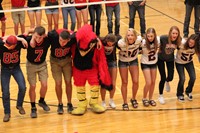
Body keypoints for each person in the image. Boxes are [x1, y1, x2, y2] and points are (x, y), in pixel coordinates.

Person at [71, 24, 112, 115]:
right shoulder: (74, 39)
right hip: (78, 68)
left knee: (95, 85)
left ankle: (93, 103)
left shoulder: (96, 42)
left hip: (91, 68)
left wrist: (97, 39)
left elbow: (102, 55)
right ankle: (82, 104)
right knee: (79, 86)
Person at [24, 26, 51, 118]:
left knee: (44, 84)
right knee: (33, 86)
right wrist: (31, 37)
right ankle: (33, 107)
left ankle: (41, 101)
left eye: (40, 37)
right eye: (36, 37)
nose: (38, 39)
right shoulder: (28, 39)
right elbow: (17, 37)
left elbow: (58, 32)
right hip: (31, 65)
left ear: (44, 35)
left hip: (42, 64)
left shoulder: (47, 39)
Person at [48, 29, 76, 114]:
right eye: (60, 40)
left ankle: (69, 103)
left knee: (68, 81)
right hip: (55, 62)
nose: (62, 43)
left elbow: (84, 34)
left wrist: (97, 39)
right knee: (58, 83)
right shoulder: (53, 36)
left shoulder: (73, 38)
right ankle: (60, 103)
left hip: (67, 61)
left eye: (64, 42)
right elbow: (42, 33)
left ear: (69, 40)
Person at [0, 35, 28, 122]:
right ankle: (7, 112)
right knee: (5, 92)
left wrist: (21, 39)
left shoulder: (19, 43)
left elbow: (27, 35)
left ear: (15, 44)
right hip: (5, 70)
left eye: (9, 45)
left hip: (16, 68)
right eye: (7, 44)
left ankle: (19, 105)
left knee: (23, 87)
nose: (7, 47)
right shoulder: (2, 44)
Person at [117, 28, 142, 110]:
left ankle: (133, 98)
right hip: (123, 62)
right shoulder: (121, 43)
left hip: (133, 61)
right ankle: (125, 102)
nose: (130, 37)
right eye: (128, 35)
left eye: (132, 35)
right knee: (124, 82)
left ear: (135, 36)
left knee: (135, 81)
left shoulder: (139, 40)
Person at [157, 26, 182, 104]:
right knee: (163, 77)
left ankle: (167, 82)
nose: (174, 35)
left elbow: (180, 48)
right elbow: (156, 40)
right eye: (173, 33)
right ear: (170, 33)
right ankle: (160, 95)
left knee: (170, 77)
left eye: (176, 33)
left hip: (170, 59)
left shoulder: (178, 40)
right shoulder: (164, 38)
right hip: (160, 59)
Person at [175, 34, 199, 102]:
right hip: (179, 63)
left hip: (189, 62)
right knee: (182, 78)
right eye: (190, 42)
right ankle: (179, 94)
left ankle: (188, 91)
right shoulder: (182, 43)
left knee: (193, 77)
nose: (190, 44)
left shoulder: (197, 47)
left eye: (192, 43)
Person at [140, 28, 159, 107]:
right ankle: (144, 98)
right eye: (148, 36)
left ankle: (150, 98)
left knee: (153, 82)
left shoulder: (158, 40)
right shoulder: (143, 42)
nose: (150, 38)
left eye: (151, 36)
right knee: (148, 82)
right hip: (145, 63)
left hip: (154, 63)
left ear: (154, 35)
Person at [100, 34, 117, 109]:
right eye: (109, 42)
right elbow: (95, 37)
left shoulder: (116, 42)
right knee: (103, 82)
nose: (110, 44)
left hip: (112, 62)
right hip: (103, 62)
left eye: (112, 43)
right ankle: (103, 101)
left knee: (113, 82)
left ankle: (111, 100)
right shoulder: (102, 41)